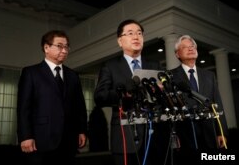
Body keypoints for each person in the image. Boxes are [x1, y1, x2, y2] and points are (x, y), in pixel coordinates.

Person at [94, 19, 169, 165]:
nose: (136, 37)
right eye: (130, 33)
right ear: (120, 41)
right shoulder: (110, 66)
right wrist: (125, 94)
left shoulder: (155, 65)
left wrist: (161, 92)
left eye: (139, 33)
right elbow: (100, 97)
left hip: (154, 137)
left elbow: (166, 98)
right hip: (125, 137)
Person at [17, 30, 88, 165]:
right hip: (41, 140)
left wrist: (82, 130)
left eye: (66, 46)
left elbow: (80, 106)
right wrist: (25, 136)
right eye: (59, 46)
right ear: (46, 47)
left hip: (69, 140)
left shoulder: (73, 75)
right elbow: (23, 108)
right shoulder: (31, 73)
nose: (64, 50)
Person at [170, 35, 228, 161]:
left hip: (210, 134)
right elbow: (171, 108)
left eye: (192, 46)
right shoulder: (171, 76)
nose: (190, 49)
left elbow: (217, 103)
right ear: (177, 54)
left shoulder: (209, 75)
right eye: (185, 47)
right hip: (185, 135)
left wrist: (221, 132)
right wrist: (174, 136)